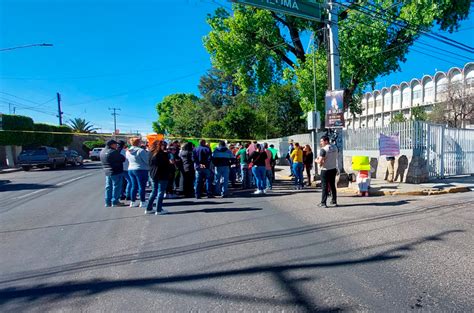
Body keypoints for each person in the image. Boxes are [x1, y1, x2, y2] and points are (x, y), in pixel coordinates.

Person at [146, 140, 170, 215]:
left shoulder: (150, 153)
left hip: (153, 174)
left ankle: (148, 208)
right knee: (160, 192)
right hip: (162, 174)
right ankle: (158, 209)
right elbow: (166, 164)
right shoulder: (163, 154)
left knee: (154, 191)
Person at [100, 139, 126, 207]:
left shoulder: (102, 151)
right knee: (116, 187)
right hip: (116, 171)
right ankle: (115, 202)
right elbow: (123, 159)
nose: (116, 145)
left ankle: (107, 202)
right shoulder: (113, 152)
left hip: (107, 171)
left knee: (108, 187)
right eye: (115, 144)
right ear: (111, 145)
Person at [315, 135, 338, 208]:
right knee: (332, 185)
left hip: (325, 170)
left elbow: (320, 161)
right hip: (333, 168)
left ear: (326, 141)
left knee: (324, 186)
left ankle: (323, 203)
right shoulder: (335, 147)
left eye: (321, 141)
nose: (320, 143)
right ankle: (334, 201)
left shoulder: (324, 149)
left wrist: (316, 160)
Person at [126, 137, 150, 208]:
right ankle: (142, 201)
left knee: (134, 186)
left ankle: (132, 201)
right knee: (141, 186)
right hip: (141, 169)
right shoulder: (141, 151)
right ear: (138, 143)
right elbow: (147, 161)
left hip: (131, 169)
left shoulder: (128, 151)